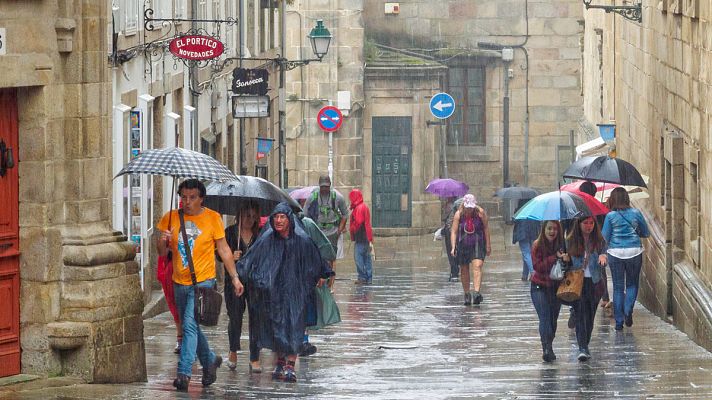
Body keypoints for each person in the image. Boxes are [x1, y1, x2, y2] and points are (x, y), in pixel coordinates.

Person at [156, 179, 244, 391]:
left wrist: (234, 278)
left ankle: (184, 373)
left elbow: (223, 250)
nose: (187, 202)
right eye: (184, 197)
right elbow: (161, 253)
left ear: (201, 198)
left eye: (192, 197)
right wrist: (163, 240)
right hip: (179, 282)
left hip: (204, 282)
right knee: (192, 327)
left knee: (188, 325)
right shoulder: (170, 218)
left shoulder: (212, 218)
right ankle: (211, 360)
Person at [237, 203, 334, 383]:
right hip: (274, 293)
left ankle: (290, 365)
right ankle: (280, 362)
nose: (279, 220)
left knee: (295, 326)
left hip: (297, 292)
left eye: (282, 217)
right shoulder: (267, 239)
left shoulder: (302, 240)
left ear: (290, 219)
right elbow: (252, 258)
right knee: (277, 326)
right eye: (276, 217)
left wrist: (322, 274)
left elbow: (315, 259)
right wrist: (241, 271)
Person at [601, 187, 650, 331]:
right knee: (632, 284)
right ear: (627, 199)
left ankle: (618, 322)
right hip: (634, 251)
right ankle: (628, 310)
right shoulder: (636, 213)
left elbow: (605, 237)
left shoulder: (610, 216)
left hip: (615, 253)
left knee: (617, 287)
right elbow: (646, 232)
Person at [223, 202, 262, 373]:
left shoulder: (260, 234)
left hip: (254, 283)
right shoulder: (230, 233)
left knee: (256, 319)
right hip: (234, 282)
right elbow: (220, 255)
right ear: (240, 215)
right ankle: (233, 350)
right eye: (247, 216)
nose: (250, 220)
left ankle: (254, 357)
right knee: (235, 318)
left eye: (254, 217)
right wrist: (232, 256)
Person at [566, 216, 607, 361]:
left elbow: (604, 253)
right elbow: (566, 262)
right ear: (579, 224)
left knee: (590, 316)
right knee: (580, 314)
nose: (589, 226)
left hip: (595, 282)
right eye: (585, 223)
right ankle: (582, 347)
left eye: (591, 223)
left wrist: (603, 256)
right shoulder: (570, 241)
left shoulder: (599, 241)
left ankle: (585, 343)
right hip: (578, 282)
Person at [296, 211, 337, 357]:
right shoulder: (277, 226)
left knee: (306, 309)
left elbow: (322, 247)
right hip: (289, 276)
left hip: (307, 276)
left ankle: (304, 341)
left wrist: (323, 271)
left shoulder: (307, 224)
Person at [304, 175, 348, 290]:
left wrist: (339, 229)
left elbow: (345, 214)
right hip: (317, 231)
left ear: (330, 186)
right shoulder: (312, 197)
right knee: (318, 256)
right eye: (322, 187)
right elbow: (305, 214)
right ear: (319, 186)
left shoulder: (338, 197)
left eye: (326, 187)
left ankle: (330, 284)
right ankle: (319, 279)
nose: (324, 189)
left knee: (331, 258)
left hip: (332, 231)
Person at [530, 220, 566, 362]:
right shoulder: (537, 245)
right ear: (543, 230)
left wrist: (565, 259)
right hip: (539, 286)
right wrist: (554, 257)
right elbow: (538, 266)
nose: (552, 232)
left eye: (555, 229)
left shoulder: (563, 245)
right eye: (549, 228)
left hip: (556, 288)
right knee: (545, 317)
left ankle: (549, 344)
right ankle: (546, 348)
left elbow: (567, 267)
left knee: (553, 319)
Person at [450, 194, 491, 305]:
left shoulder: (480, 213)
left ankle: (476, 293)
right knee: (464, 269)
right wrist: (453, 246)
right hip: (463, 243)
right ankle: (467, 293)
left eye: (471, 207)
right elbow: (453, 231)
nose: (469, 209)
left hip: (477, 242)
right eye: (468, 207)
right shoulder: (459, 214)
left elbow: (486, 228)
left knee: (477, 266)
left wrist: (488, 245)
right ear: (464, 205)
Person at [349, 188, 374, 284]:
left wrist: (352, 229)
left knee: (358, 257)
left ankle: (362, 277)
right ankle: (369, 277)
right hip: (366, 237)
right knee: (367, 258)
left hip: (360, 237)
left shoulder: (359, 208)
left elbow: (358, 222)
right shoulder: (363, 206)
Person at [442, 197, 461, 281]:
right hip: (453, 233)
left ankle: (454, 273)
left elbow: (446, 220)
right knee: (453, 253)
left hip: (451, 233)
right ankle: (454, 272)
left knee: (452, 254)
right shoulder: (456, 205)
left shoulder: (452, 206)